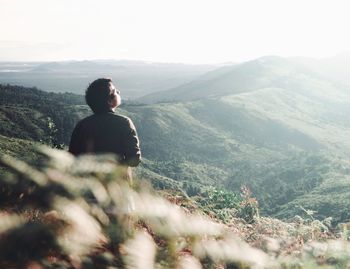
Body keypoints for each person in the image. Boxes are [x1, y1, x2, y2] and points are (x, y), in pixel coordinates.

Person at [69, 78, 141, 168]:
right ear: (109, 101)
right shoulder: (124, 123)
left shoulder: (81, 125)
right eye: (115, 91)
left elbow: (71, 159)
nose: (118, 92)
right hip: (116, 181)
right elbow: (134, 160)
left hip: (86, 180)